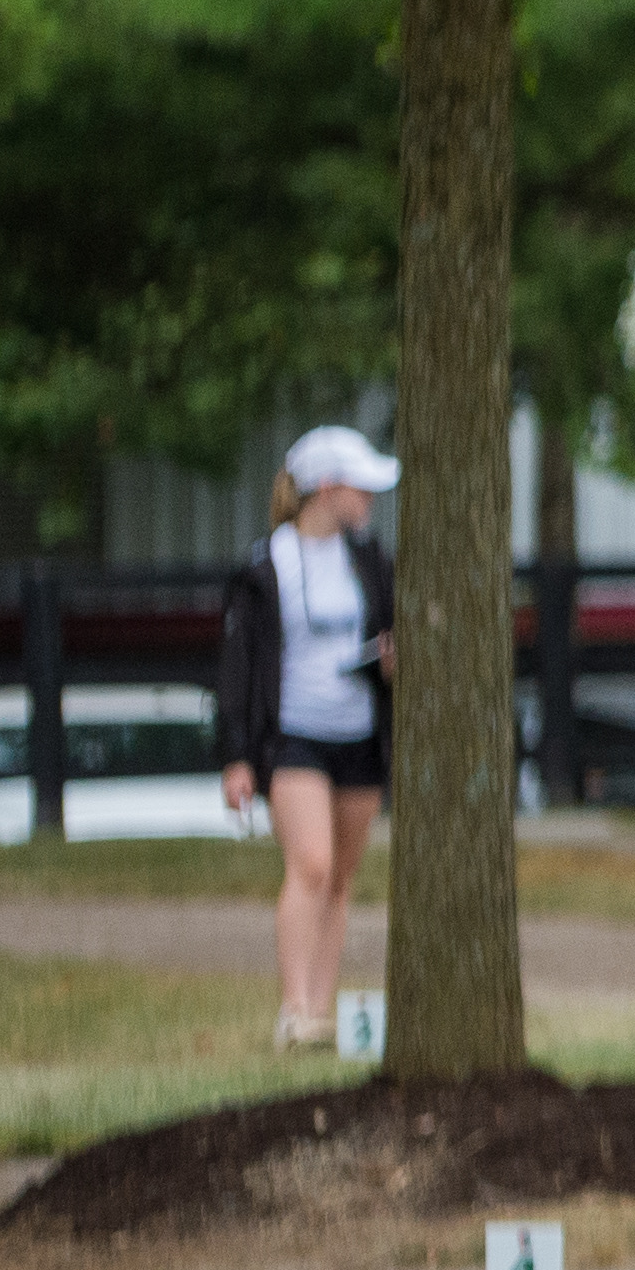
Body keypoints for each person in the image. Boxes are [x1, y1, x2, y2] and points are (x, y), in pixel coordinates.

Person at [217, 427, 401, 1050]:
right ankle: (292, 1008)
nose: (371, 499)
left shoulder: (371, 559)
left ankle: (321, 1014)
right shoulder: (266, 565)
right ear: (327, 488)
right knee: (312, 865)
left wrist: (391, 661)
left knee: (343, 879)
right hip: (294, 736)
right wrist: (238, 756)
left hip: (359, 737)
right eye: (361, 487)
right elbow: (238, 667)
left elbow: (389, 633)